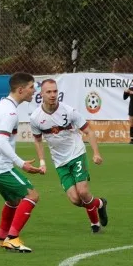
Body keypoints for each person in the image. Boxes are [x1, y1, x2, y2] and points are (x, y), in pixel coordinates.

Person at [30, 79, 109, 233]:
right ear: (41, 94)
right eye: (49, 92)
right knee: (76, 200)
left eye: (55, 91)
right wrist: (42, 162)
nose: (53, 95)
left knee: (83, 192)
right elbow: (38, 140)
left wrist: (96, 153)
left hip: (77, 153)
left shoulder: (69, 111)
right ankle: (100, 204)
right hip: (60, 162)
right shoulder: (35, 118)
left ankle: (95, 225)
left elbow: (89, 132)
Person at [0, 72, 44, 253]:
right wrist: (21, 163)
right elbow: (2, 141)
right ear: (20, 90)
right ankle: (12, 238)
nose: (34, 91)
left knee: (13, 200)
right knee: (32, 195)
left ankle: (1, 239)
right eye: (31, 87)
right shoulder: (10, 112)